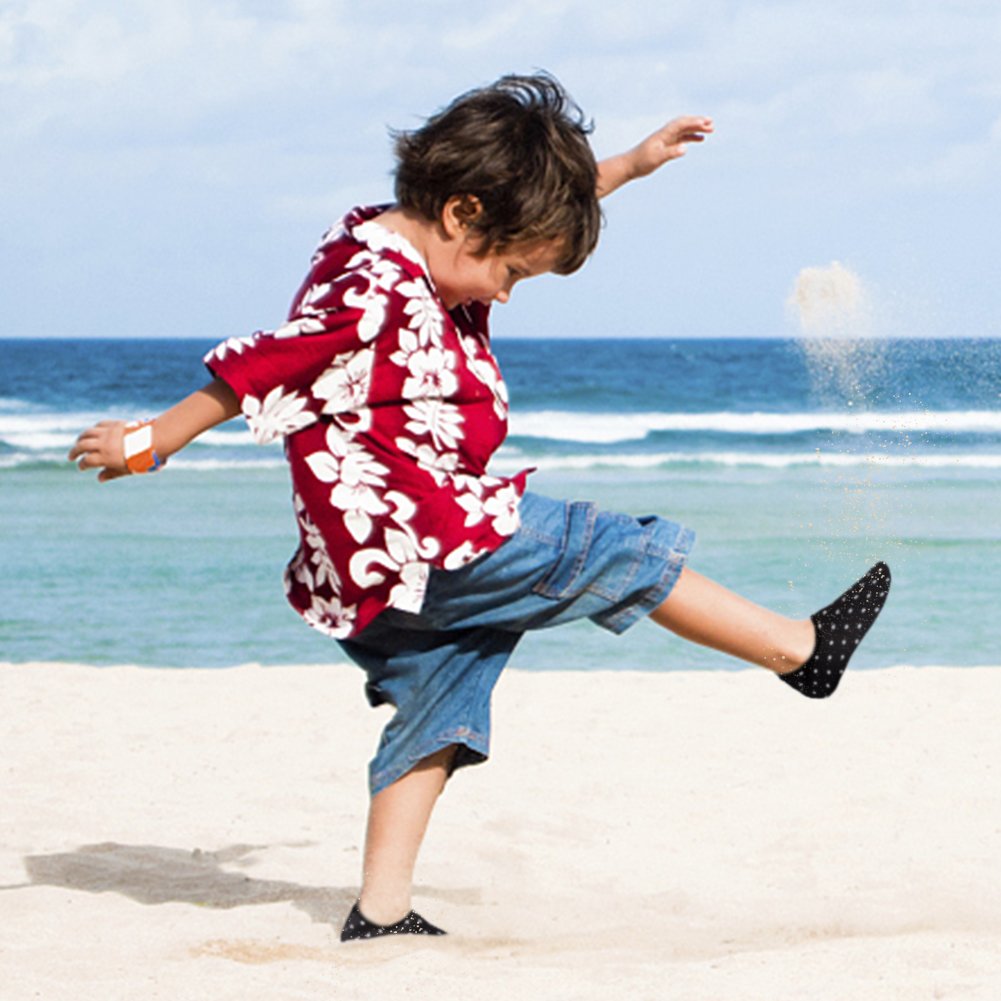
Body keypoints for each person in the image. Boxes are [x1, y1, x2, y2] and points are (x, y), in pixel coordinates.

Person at [69, 73, 891, 942]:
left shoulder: (415, 240)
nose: (502, 295)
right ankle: (797, 650)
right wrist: (150, 439)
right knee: (606, 547)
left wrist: (629, 165)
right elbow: (265, 365)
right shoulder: (371, 286)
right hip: (427, 532)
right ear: (462, 215)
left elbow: (521, 206)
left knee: (439, 695)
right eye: (509, 272)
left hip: (376, 567)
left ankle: (380, 913)